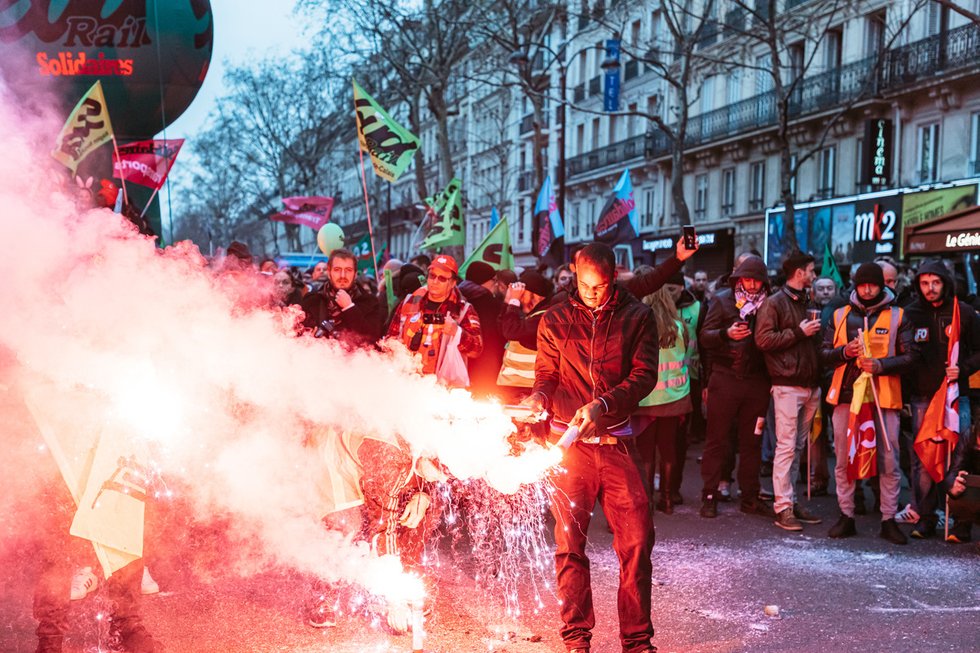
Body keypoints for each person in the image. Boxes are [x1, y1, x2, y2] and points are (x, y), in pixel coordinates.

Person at [523, 243, 660, 653]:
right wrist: (539, 399)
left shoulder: (638, 316)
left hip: (617, 443)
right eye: (584, 285)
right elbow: (546, 373)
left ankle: (636, 641)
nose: (592, 293)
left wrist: (604, 404)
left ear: (613, 278)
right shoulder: (556, 317)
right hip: (569, 448)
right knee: (569, 546)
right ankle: (576, 637)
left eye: (599, 287)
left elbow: (644, 376)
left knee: (636, 543)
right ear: (573, 274)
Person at [821, 262, 916, 544]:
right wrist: (843, 352)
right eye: (862, 285)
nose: (867, 289)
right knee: (843, 458)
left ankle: (888, 518)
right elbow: (823, 353)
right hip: (846, 399)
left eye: (872, 284)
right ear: (855, 286)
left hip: (883, 398)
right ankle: (846, 515)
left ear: (881, 285)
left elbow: (912, 357)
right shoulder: (839, 315)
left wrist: (881, 365)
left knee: (889, 460)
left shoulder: (899, 315)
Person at [902, 259, 980, 538]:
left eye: (935, 282)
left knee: (961, 459)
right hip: (923, 397)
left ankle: (961, 521)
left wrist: (965, 369)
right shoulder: (909, 314)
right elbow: (904, 357)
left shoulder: (965, 312)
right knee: (923, 459)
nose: (930, 288)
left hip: (957, 397)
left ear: (945, 282)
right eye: (924, 283)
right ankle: (925, 516)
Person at [699, 255, 773, 520]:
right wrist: (725, 334)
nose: (752, 285)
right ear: (738, 279)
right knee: (717, 440)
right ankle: (709, 494)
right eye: (747, 279)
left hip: (756, 382)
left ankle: (750, 497)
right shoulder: (721, 300)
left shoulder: (770, 303)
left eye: (757, 280)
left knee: (752, 442)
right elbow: (704, 338)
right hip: (725, 378)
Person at [754, 252, 823, 531]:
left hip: (809, 384)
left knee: (797, 447)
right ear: (798, 273)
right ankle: (783, 507)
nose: (814, 275)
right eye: (811, 270)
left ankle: (790, 502)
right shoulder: (774, 303)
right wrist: (798, 332)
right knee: (786, 446)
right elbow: (763, 340)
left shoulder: (807, 300)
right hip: (786, 384)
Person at [631, 283, 693, 516]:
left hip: (646, 399)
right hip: (674, 397)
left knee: (646, 453)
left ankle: (646, 503)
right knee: (668, 450)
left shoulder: (640, 326)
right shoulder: (679, 326)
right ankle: (667, 499)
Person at [387, 254, 483, 386]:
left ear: (453, 283)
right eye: (432, 276)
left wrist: (457, 333)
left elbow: (477, 349)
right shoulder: (409, 302)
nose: (435, 281)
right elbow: (390, 340)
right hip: (407, 385)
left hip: (443, 389)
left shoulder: (463, 309)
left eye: (442, 278)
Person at [301, 249, 383, 347]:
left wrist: (349, 308)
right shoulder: (312, 301)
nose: (342, 276)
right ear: (329, 272)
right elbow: (297, 337)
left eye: (348, 270)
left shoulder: (370, 302)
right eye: (337, 270)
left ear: (355, 274)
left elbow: (373, 340)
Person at [496, 270, 554, 404]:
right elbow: (502, 330)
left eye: (523, 291)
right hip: (514, 388)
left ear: (535, 294)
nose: (520, 295)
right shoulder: (531, 316)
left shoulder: (543, 317)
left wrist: (514, 301)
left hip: (528, 390)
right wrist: (508, 301)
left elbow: (512, 331)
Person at [458, 261, 506, 398]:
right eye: (494, 280)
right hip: (486, 367)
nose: (495, 284)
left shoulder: (456, 299)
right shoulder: (492, 305)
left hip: (460, 366)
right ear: (485, 281)